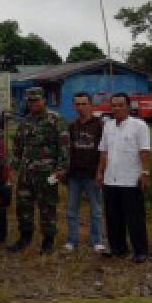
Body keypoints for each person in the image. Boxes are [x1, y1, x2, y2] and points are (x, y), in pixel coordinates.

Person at [8, 86, 69, 254]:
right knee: (23, 206)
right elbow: (18, 148)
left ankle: (48, 241)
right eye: (30, 101)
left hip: (47, 174)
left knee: (47, 208)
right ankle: (24, 238)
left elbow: (64, 148)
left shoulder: (55, 120)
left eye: (36, 100)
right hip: (26, 173)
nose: (33, 103)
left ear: (44, 100)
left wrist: (61, 170)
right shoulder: (25, 122)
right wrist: (13, 170)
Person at [96, 92, 151, 263]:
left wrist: (145, 173)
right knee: (113, 217)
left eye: (120, 105)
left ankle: (140, 251)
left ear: (128, 106)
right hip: (111, 179)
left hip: (131, 179)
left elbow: (145, 151)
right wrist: (99, 172)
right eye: (114, 105)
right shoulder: (108, 126)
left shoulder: (139, 126)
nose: (117, 108)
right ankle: (117, 248)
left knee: (135, 218)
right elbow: (104, 152)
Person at [64, 92, 105, 253]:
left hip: (92, 174)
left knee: (95, 210)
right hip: (74, 175)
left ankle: (97, 240)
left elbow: (104, 151)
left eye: (83, 103)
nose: (80, 107)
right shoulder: (72, 126)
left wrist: (101, 172)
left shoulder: (100, 125)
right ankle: (72, 241)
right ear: (74, 106)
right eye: (77, 104)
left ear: (90, 105)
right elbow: (67, 150)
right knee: (72, 210)